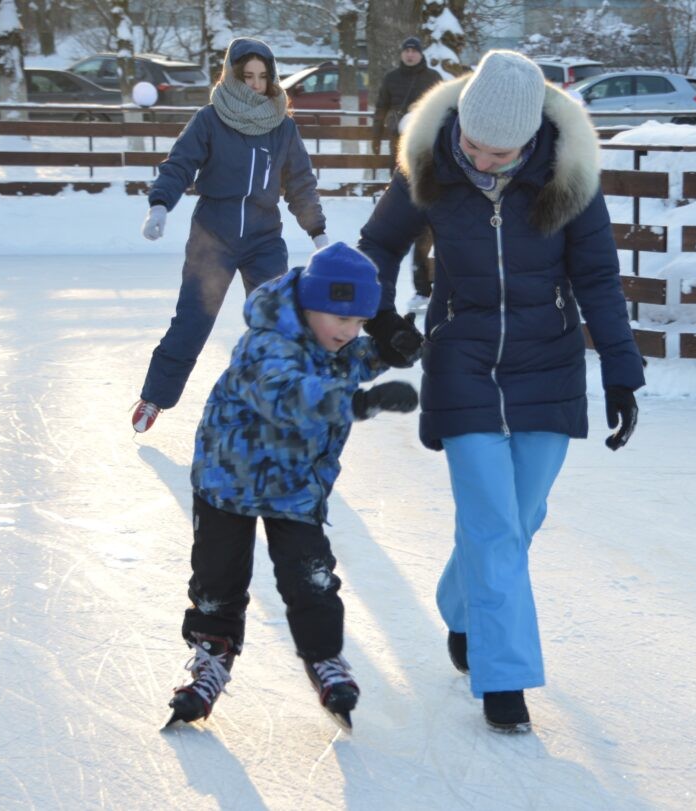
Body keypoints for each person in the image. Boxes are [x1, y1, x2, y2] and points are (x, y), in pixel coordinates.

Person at [357, 50, 645, 733]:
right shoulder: (431, 163)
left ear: (531, 139)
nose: (481, 160)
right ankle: (505, 674)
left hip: (548, 359)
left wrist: (621, 369)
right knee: (492, 522)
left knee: (521, 515)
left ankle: (463, 607)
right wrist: (383, 317)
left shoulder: (568, 176)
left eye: (500, 152)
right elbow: (378, 245)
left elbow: (597, 277)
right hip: (462, 355)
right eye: (474, 144)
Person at [163, 242, 419, 730]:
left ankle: (324, 657)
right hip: (228, 480)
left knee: (312, 578)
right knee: (217, 579)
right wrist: (361, 403)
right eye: (340, 318)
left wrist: (387, 350)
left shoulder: (329, 338)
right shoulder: (265, 344)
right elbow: (289, 396)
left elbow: (348, 359)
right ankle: (210, 659)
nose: (349, 331)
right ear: (307, 305)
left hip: (296, 483)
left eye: (359, 322)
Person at [133, 37, 328, 434]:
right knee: (193, 321)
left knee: (278, 322)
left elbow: (301, 183)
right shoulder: (210, 119)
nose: (255, 84)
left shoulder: (282, 127)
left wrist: (318, 232)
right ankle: (155, 397)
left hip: (264, 239)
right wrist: (160, 204)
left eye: (263, 76)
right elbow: (180, 164)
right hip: (213, 238)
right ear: (232, 76)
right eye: (247, 76)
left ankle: (280, 403)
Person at [370, 35, 441, 303]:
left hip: (427, 148)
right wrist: (376, 136)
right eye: (407, 50)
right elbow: (381, 107)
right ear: (402, 53)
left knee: (427, 219)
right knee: (403, 205)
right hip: (399, 146)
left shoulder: (432, 78)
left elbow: (443, 110)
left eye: (414, 50)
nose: (410, 54)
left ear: (421, 54)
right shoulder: (391, 78)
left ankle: (425, 285)